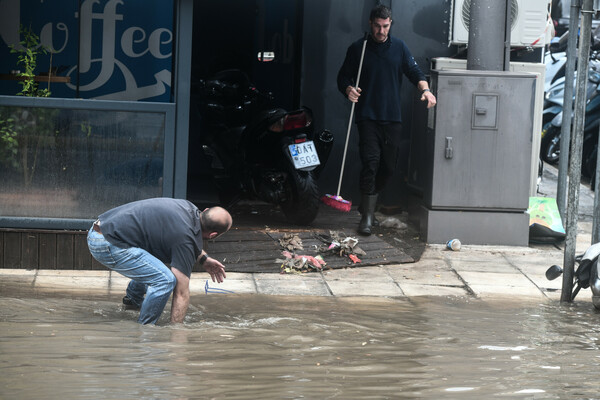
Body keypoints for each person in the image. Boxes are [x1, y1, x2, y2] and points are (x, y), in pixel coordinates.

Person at [337, 4, 437, 236]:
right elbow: (342, 77)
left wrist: (426, 90)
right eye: (377, 26)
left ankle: (367, 203)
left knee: (389, 166)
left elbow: (415, 73)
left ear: (390, 24)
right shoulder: (358, 49)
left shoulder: (399, 48)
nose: (381, 31)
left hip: (392, 117)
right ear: (370, 24)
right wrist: (348, 89)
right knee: (370, 163)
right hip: (367, 116)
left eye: (385, 26)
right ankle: (368, 217)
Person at [87, 197, 232, 325]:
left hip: (101, 229)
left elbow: (186, 239)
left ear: (205, 211)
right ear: (213, 235)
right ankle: (145, 329)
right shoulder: (185, 239)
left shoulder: (187, 208)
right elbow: (181, 293)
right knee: (165, 280)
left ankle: (132, 303)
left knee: (154, 265)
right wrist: (176, 332)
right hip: (106, 243)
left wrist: (204, 259)